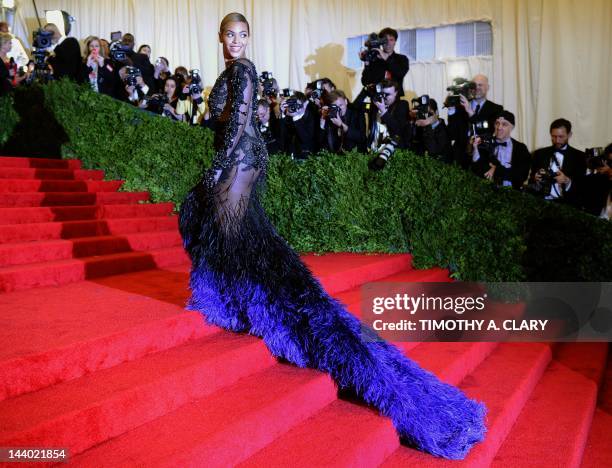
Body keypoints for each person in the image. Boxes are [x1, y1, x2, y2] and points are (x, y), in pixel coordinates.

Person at [178, 12, 485, 460]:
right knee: (239, 242)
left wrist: (215, 173)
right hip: (243, 163)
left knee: (232, 236)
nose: (237, 41)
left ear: (249, 38)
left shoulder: (241, 71)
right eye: (231, 34)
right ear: (220, 36)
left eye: (243, 34)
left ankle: (240, 305)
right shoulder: (231, 70)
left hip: (238, 165)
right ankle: (236, 302)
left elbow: (241, 122)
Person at [469, 110, 531, 189]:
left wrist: (497, 170)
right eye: (497, 123)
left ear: (512, 127)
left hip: (512, 194)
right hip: (486, 191)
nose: (499, 127)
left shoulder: (521, 148)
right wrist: (475, 148)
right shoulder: (485, 142)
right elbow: (477, 169)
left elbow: (521, 175)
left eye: (504, 124)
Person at [530, 119, 586, 200]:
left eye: (561, 136)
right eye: (554, 136)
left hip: (567, 205)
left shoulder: (579, 156)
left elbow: (582, 185)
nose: (557, 140)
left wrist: (567, 181)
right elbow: (531, 181)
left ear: (569, 135)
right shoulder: (539, 154)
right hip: (540, 202)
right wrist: (536, 178)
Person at [360, 27, 409, 97]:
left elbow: (400, 73)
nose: (388, 43)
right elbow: (365, 82)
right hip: (377, 98)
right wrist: (367, 62)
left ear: (395, 42)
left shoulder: (402, 59)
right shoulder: (374, 59)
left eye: (391, 40)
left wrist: (386, 58)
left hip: (395, 100)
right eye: (385, 40)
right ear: (380, 42)